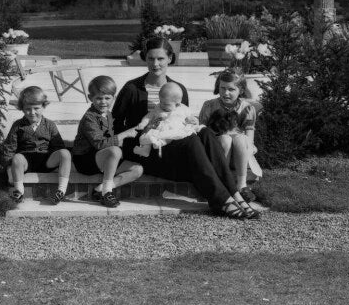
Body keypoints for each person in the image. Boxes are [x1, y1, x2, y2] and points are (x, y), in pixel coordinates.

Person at [112, 37, 260, 219]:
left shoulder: (178, 89)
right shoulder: (132, 89)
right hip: (149, 152)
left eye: (160, 59)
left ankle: (235, 194)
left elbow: (183, 122)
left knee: (203, 132)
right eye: (150, 58)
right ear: (145, 58)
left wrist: (192, 124)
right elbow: (117, 125)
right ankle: (223, 200)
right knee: (191, 141)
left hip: (176, 149)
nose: (155, 64)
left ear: (170, 59)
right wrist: (144, 130)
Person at [72, 75, 143, 208]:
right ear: (90, 98)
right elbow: (100, 144)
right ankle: (107, 193)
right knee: (115, 150)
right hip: (85, 159)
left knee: (137, 169)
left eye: (107, 98)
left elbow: (109, 140)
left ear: (113, 98)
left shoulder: (108, 114)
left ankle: (100, 189)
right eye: (99, 98)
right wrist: (124, 135)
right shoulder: (89, 117)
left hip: (102, 157)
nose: (103, 102)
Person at [198, 69, 263, 204]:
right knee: (225, 139)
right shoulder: (210, 106)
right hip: (218, 151)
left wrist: (249, 146)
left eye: (231, 89)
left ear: (241, 90)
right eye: (222, 88)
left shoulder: (246, 108)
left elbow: (249, 132)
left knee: (240, 138)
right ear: (218, 87)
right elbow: (202, 130)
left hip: (239, 154)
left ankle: (241, 184)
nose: (226, 93)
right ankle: (222, 182)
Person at [1, 86, 72, 205]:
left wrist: (60, 158)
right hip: (26, 160)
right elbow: (10, 147)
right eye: (28, 109)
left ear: (43, 107)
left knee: (65, 153)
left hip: (46, 159)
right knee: (17, 158)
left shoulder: (49, 125)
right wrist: (9, 167)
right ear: (22, 109)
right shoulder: (18, 125)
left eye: (36, 108)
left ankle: (61, 190)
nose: (32, 112)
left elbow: (58, 145)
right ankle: (19, 191)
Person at [134, 82, 201, 158]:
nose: (162, 105)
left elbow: (191, 117)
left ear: (177, 104)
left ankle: (159, 143)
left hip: (174, 131)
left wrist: (194, 120)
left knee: (173, 136)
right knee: (148, 135)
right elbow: (149, 116)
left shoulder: (183, 109)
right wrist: (143, 123)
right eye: (160, 102)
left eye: (166, 104)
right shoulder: (158, 108)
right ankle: (145, 150)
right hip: (159, 130)